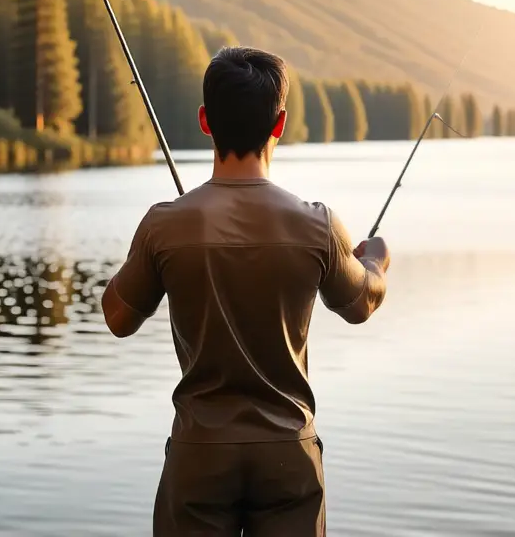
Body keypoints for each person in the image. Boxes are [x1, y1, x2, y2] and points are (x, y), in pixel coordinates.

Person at [100, 46, 391, 536]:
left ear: (204, 120)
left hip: (198, 457)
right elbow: (363, 302)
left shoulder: (163, 225)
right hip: (288, 456)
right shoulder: (317, 224)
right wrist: (375, 258)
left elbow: (117, 318)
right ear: (279, 125)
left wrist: (157, 243)